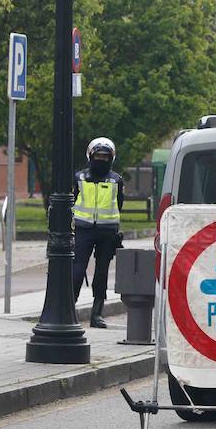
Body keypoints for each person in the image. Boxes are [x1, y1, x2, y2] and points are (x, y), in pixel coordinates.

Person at [72, 137, 124, 329]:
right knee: (84, 272)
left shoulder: (83, 177)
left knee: (94, 272)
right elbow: (120, 205)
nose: (101, 159)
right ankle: (88, 313)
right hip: (94, 230)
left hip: (98, 231)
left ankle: (87, 312)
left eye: (104, 156)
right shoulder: (113, 180)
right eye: (99, 156)